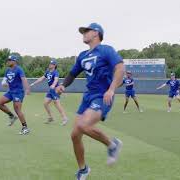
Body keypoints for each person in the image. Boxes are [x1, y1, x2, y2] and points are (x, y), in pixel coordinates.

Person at [56, 23, 124, 180]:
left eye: (86, 31)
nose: (83, 34)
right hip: (88, 96)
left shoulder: (106, 50)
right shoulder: (82, 55)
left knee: (84, 125)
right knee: (75, 135)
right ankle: (83, 169)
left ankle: (113, 145)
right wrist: (62, 85)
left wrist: (112, 89)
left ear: (96, 33)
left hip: (103, 95)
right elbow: (72, 74)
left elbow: (120, 69)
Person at [0, 55, 31, 135]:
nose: (8, 62)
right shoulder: (7, 70)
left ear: (14, 61)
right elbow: (4, 81)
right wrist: (4, 83)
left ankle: (25, 128)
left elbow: (24, 79)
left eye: (9, 60)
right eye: (7, 60)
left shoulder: (19, 69)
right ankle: (12, 116)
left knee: (17, 109)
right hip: (11, 91)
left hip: (18, 92)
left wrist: (27, 89)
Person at [30, 59, 69, 125]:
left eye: (51, 64)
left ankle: (65, 118)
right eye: (50, 64)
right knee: (45, 103)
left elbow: (56, 80)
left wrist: (53, 85)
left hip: (56, 89)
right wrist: (34, 83)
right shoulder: (48, 71)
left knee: (57, 104)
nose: (49, 65)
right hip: (51, 90)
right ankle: (51, 117)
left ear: (54, 65)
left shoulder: (55, 72)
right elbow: (41, 78)